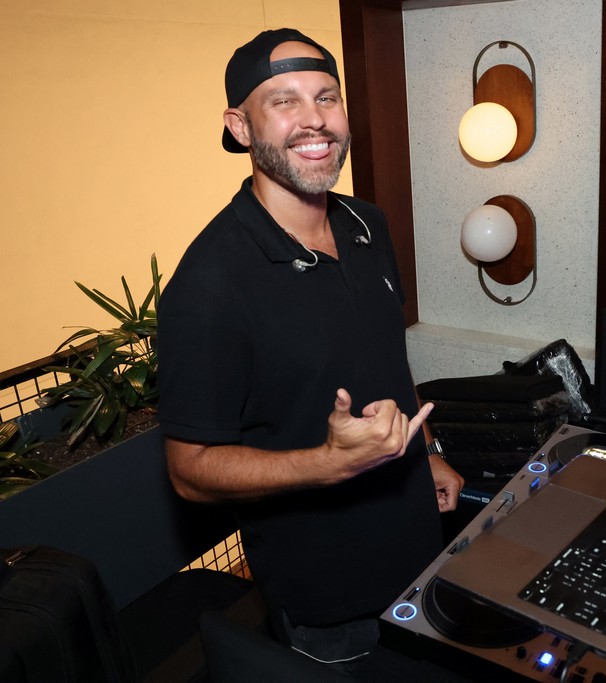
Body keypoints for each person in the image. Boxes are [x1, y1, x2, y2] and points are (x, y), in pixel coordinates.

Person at [157, 28, 464, 673]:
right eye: (284, 101)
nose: (314, 119)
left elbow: (384, 357)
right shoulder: (211, 280)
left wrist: (427, 453)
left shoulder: (367, 223)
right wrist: (327, 464)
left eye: (326, 97)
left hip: (421, 549)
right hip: (330, 596)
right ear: (240, 127)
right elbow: (189, 470)